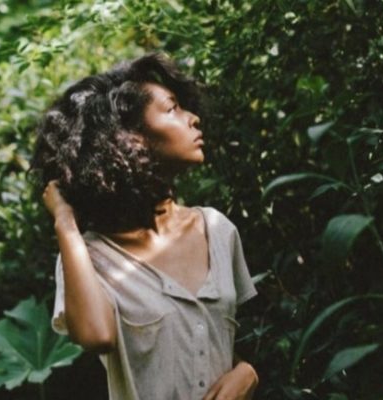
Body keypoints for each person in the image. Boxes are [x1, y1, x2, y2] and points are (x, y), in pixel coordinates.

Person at [29, 52, 258, 400]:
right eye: (172, 109)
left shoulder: (217, 230)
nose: (193, 118)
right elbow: (96, 335)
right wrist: (65, 223)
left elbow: (227, 340)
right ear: (130, 139)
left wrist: (248, 371)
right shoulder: (88, 258)